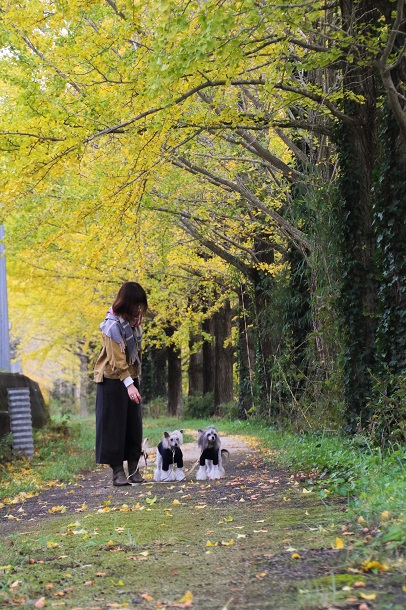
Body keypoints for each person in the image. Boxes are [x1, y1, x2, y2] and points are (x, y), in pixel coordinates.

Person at [94, 281, 148, 486]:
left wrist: (134, 380)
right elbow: (116, 359)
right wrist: (129, 384)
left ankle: (133, 469)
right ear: (127, 302)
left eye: (141, 305)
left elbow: (134, 354)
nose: (139, 309)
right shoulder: (112, 325)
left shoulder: (134, 324)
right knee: (114, 427)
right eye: (136, 304)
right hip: (112, 380)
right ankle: (118, 472)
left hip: (130, 378)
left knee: (134, 425)